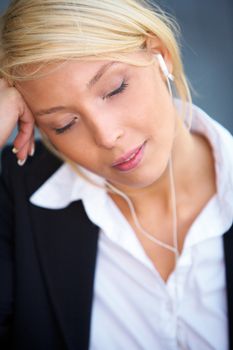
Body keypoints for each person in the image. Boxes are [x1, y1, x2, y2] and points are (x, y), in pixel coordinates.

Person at [0, 0, 232, 349]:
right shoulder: (12, 197)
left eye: (114, 89)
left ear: (160, 54)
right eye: (64, 124)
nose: (106, 136)